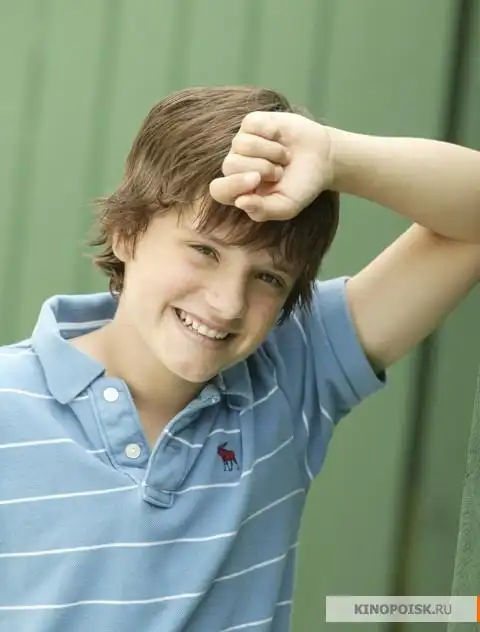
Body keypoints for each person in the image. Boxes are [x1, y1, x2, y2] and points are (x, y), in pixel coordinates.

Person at [0, 85, 478, 632]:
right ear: (126, 232)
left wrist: (334, 157)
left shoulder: (294, 373)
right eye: (205, 250)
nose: (227, 303)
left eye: (268, 278)